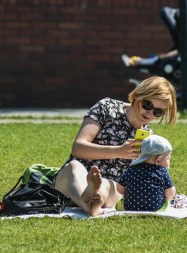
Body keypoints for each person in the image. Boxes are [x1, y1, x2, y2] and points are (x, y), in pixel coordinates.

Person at [53, 76, 178, 216]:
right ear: (137, 96)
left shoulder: (148, 138)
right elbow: (78, 147)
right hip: (73, 181)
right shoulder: (107, 107)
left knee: (110, 186)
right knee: (73, 167)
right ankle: (88, 203)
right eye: (147, 105)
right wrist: (119, 151)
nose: (150, 113)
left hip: (108, 187)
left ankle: (93, 200)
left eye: (158, 112)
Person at [117, 134, 176, 212]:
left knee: (119, 202)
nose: (169, 163)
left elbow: (119, 188)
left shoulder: (131, 169)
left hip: (130, 208)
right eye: (168, 159)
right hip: (156, 209)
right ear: (158, 160)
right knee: (167, 203)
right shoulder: (162, 172)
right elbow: (170, 193)